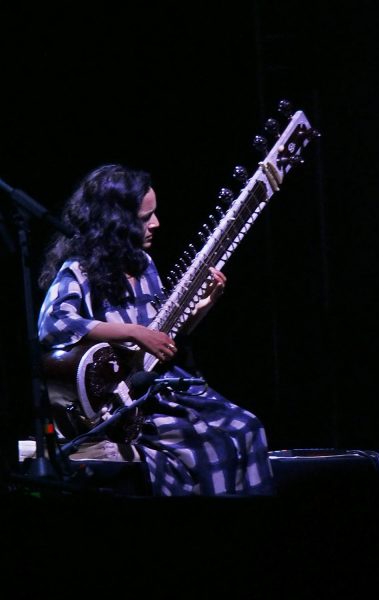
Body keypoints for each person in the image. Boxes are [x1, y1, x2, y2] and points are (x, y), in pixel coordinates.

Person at [37, 163, 276, 496]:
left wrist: (203, 306)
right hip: (123, 404)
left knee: (247, 427)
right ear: (116, 223)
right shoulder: (79, 270)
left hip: (160, 386)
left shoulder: (143, 264)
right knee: (207, 447)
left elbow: (162, 337)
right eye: (145, 218)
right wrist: (134, 332)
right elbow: (53, 324)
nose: (156, 224)